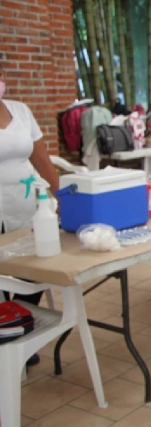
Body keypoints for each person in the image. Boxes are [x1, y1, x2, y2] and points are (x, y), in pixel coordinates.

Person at [0, 62, 60, 366]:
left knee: (31, 266)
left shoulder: (20, 110)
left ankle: (19, 327)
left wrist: (57, 193)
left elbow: (40, 157)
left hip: (25, 202)